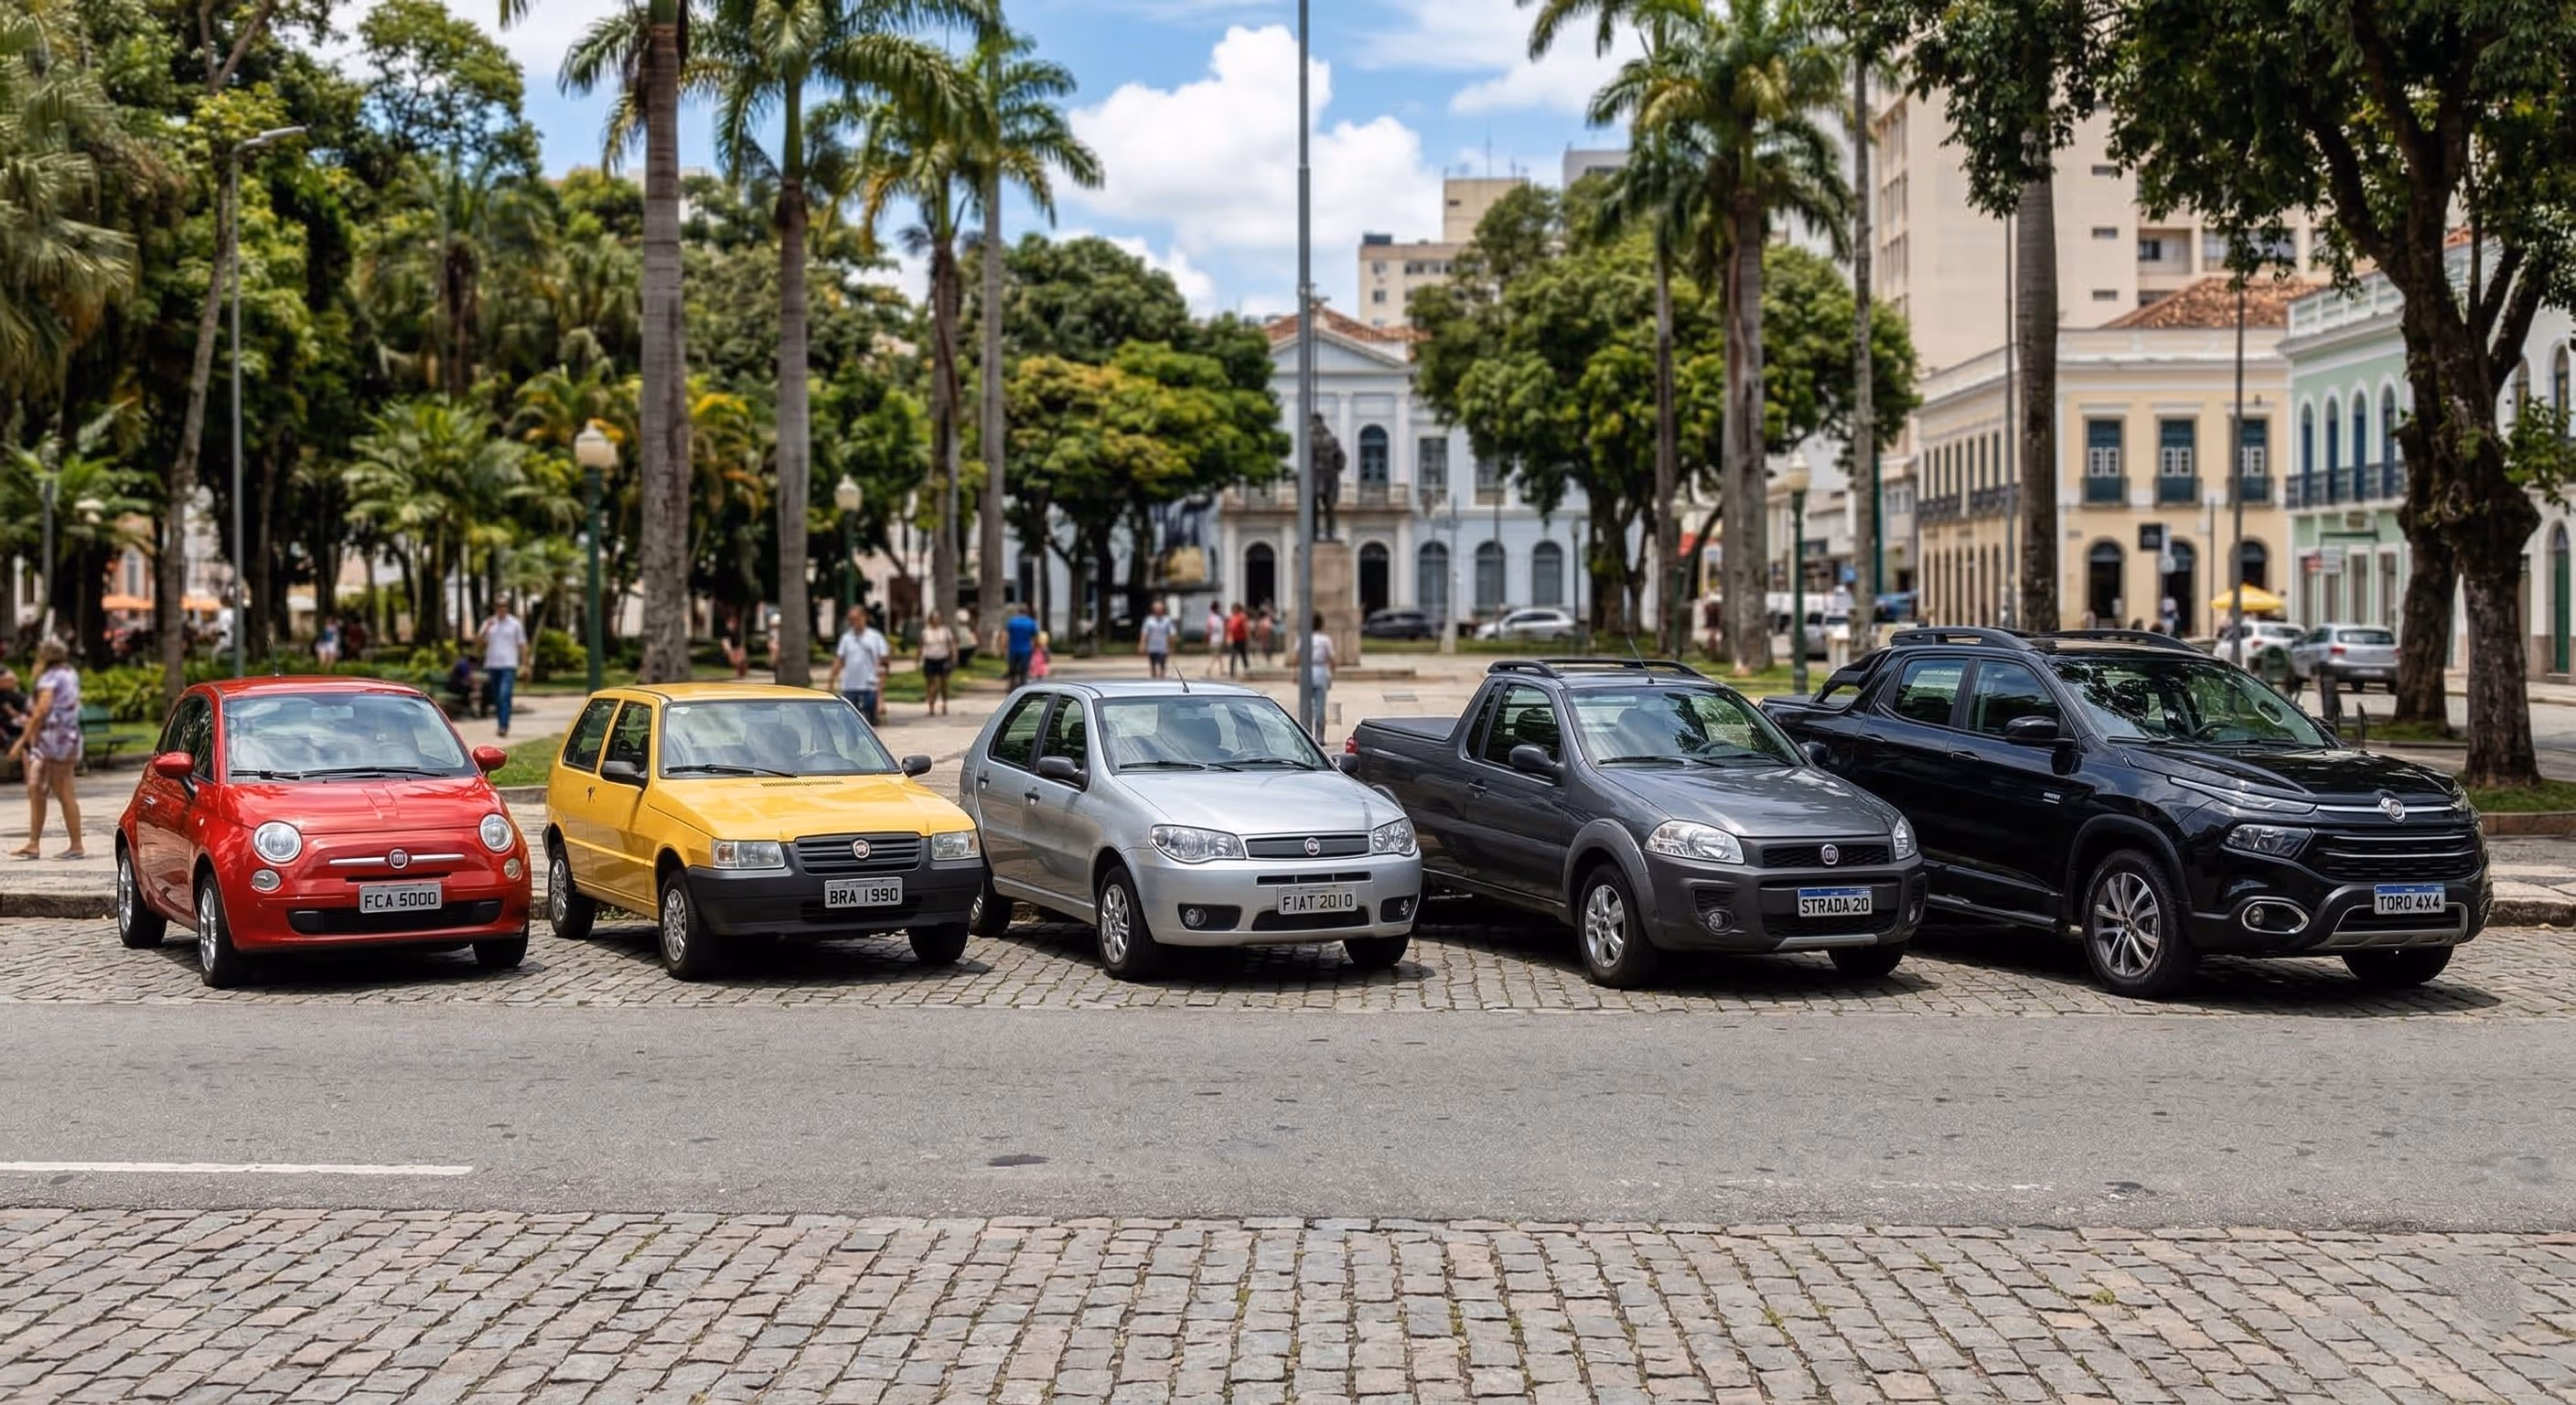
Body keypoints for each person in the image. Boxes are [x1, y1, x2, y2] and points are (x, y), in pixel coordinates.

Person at [9, 640, 83, 860]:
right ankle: (33, 843)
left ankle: (76, 845)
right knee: (35, 786)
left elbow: (42, 710)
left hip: (56, 740)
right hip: (54, 739)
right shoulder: (68, 673)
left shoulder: (50, 677)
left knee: (63, 791)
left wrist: (21, 741)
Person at [829, 606, 890, 725]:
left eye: (856, 618)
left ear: (864, 617)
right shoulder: (846, 638)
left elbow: (884, 664)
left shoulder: (875, 637)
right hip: (850, 687)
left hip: (870, 687)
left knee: (871, 724)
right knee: (849, 724)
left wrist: (880, 695)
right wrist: (831, 680)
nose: (853, 622)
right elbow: (840, 660)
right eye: (851, 619)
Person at [476, 596, 527, 739]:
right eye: (499, 605)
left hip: (509, 665)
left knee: (504, 694)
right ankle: (501, 723)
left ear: (507, 607)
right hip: (493, 665)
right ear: (495, 607)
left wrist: (525, 664)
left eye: (504, 605)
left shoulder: (515, 624)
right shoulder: (489, 623)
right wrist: (486, 630)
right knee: (498, 697)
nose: (501, 608)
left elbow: (522, 645)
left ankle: (503, 726)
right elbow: (479, 644)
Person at [1303, 612, 1337, 742]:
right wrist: (1332, 673)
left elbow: (1296, 657)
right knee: (1320, 707)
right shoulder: (1325, 640)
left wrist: (1295, 673)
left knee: (1306, 707)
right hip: (1321, 672)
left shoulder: (1304, 638)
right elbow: (1332, 658)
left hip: (1307, 672)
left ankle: (1306, 735)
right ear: (1321, 624)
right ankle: (1320, 737)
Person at [918, 612, 957, 715]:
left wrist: (954, 656)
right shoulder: (925, 631)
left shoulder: (945, 631)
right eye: (934, 618)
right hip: (929, 659)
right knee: (931, 684)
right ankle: (931, 707)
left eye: (938, 618)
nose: (936, 620)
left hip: (943, 659)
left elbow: (951, 644)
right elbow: (921, 646)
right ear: (930, 619)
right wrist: (918, 659)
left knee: (944, 683)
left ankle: (944, 704)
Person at [1003, 604, 1039, 689]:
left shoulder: (1012, 622)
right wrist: (1035, 647)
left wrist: (1004, 645)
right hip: (1026, 649)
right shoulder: (1031, 623)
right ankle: (1023, 684)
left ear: (1018, 612)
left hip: (1013, 648)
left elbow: (1006, 634)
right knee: (1024, 669)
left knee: (1012, 668)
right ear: (1027, 612)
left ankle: (1011, 684)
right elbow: (1035, 637)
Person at [1139, 599, 1176, 679]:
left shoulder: (1167, 620)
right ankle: (1154, 680)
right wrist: (1142, 644)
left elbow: (1172, 633)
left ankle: (1161, 679)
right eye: (1157, 609)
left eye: (1160, 609)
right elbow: (1144, 633)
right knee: (1153, 666)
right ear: (1153, 610)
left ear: (1163, 610)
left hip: (1163, 647)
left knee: (1162, 666)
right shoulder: (1149, 620)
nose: (1158, 611)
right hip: (1152, 647)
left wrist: (1172, 646)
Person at [0, 668, 27, 755]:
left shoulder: (16, 694)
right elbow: (10, 712)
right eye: (9, 680)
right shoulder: (4, 696)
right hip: (10, 723)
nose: (15, 680)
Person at [1202, 601, 1228, 678]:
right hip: (1216, 638)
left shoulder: (1214, 617)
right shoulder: (1216, 617)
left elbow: (1209, 628)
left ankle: (1221, 670)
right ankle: (1209, 668)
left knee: (1219, 655)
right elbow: (1209, 628)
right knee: (1217, 654)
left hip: (1216, 638)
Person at [1226, 602, 1251, 676]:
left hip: (1242, 639)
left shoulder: (1242, 616)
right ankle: (1232, 672)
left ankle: (1246, 670)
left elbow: (1246, 628)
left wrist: (1248, 638)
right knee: (1233, 656)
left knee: (1243, 655)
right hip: (1235, 640)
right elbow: (1230, 628)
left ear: (1237, 609)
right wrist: (1228, 637)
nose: (1232, 610)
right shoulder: (1232, 617)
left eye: (1234, 609)